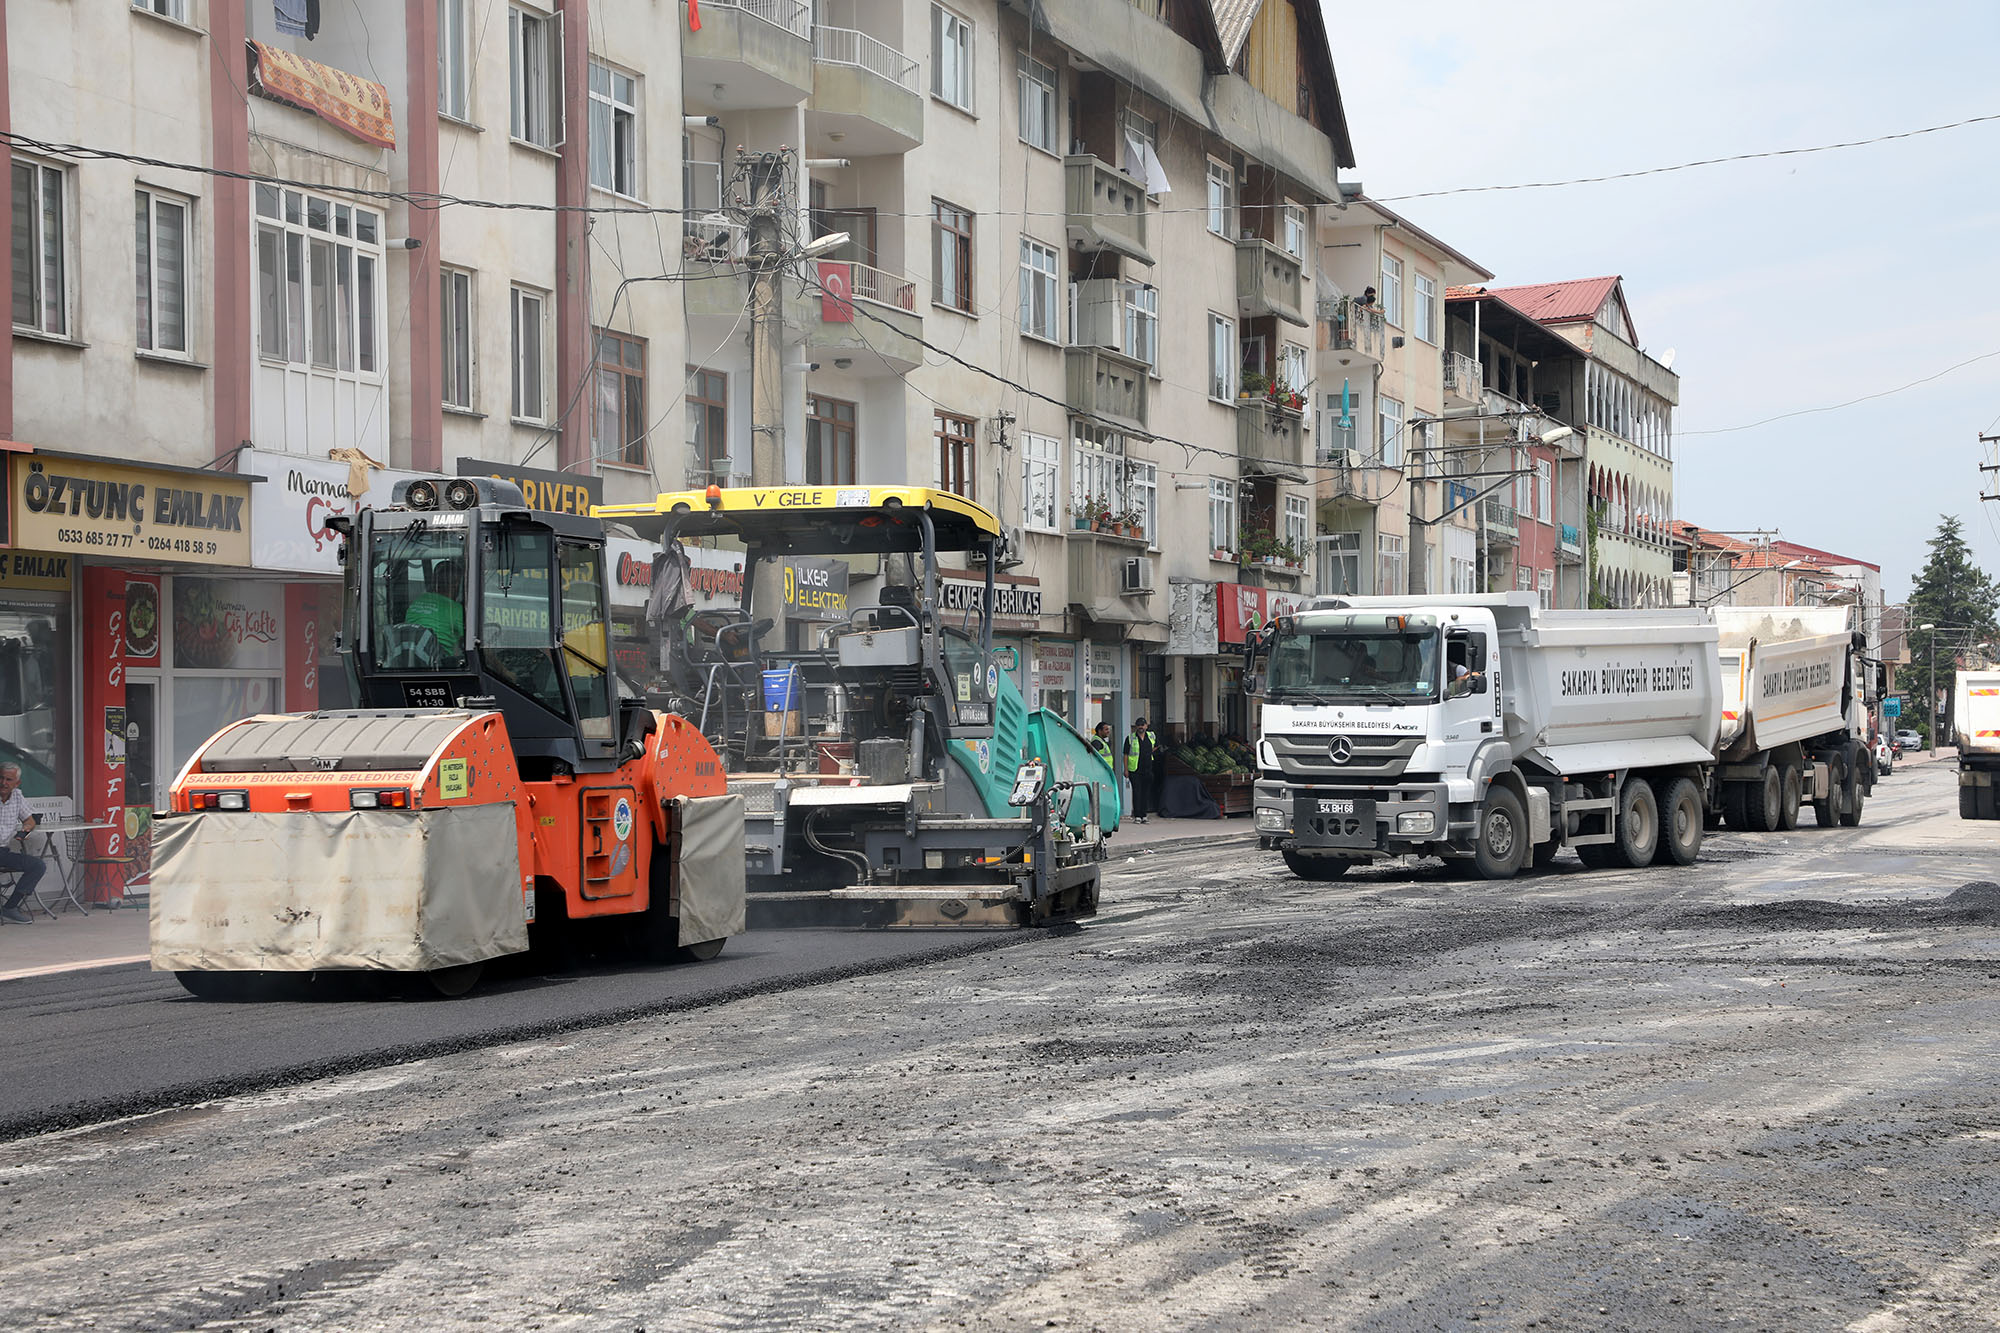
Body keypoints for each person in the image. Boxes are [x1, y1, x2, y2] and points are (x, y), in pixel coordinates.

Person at [0, 763, 45, 924]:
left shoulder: (17, 796)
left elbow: (30, 820)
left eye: (8, 779)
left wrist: (25, 830)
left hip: (3, 851)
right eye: (1, 778)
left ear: (16, 783)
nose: (3, 783)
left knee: (37, 865)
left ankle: (10, 908)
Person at [402, 558, 465, 661]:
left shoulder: (417, 601)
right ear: (457, 585)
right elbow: (471, 640)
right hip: (441, 664)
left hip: (412, 661)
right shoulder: (456, 609)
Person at [1125, 718, 1159, 823]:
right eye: (1139, 725)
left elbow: (1157, 746)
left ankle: (1144, 815)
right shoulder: (1130, 738)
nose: (1141, 727)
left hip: (1148, 769)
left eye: (1142, 725)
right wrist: (1125, 769)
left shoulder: (1151, 736)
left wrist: (1148, 753)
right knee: (1137, 792)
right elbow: (1125, 754)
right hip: (1135, 770)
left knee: (1145, 793)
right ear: (1136, 726)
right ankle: (1137, 815)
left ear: (1146, 726)